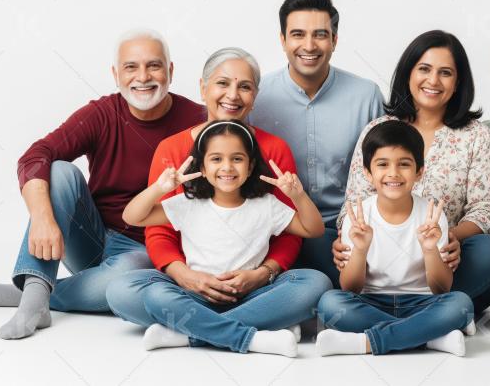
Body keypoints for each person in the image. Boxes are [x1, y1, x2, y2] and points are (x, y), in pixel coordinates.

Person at [0, 29, 205, 339]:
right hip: (91, 237)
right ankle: (36, 292)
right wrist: (42, 218)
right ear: (116, 75)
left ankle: (33, 294)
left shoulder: (198, 122)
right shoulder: (102, 113)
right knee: (59, 171)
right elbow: (35, 156)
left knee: (127, 276)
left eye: (154, 65)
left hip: (146, 249)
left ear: (170, 71)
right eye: (131, 67)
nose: (143, 77)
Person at [106, 48, 330, 335]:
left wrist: (260, 276)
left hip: (254, 288)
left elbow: (299, 232)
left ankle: (192, 332)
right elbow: (149, 226)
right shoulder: (185, 189)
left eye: (245, 87)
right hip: (191, 287)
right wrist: (186, 276)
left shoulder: (269, 176)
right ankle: (252, 328)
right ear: (203, 88)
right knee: (121, 291)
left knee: (315, 284)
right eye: (222, 83)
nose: (233, 95)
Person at [332, 30, 490, 315]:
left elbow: (486, 210)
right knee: (318, 243)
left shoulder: (477, 136)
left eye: (445, 73)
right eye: (424, 69)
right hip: (377, 258)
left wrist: (448, 237)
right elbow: (355, 199)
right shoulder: (379, 129)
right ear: (408, 73)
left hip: (444, 260)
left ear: (458, 82)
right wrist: (347, 240)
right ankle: (434, 318)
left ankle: (408, 312)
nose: (433, 81)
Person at [121, 120, 329, 357]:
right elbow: (132, 217)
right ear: (202, 166)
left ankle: (189, 333)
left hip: (252, 295)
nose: (227, 167)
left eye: (237, 159)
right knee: (149, 293)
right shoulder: (187, 204)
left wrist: (298, 196)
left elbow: (314, 229)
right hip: (196, 296)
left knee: (316, 282)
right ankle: (253, 335)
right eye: (216, 159)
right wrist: (159, 189)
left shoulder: (267, 205)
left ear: (250, 166)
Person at [248, 0, 384, 286]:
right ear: (282, 40)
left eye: (320, 35)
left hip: (347, 231)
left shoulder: (366, 96)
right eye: (298, 34)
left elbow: (385, 172)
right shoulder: (256, 96)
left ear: (334, 40)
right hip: (276, 231)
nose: (309, 46)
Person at [316, 121, 473, 357]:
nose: (393, 173)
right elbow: (350, 288)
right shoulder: (358, 216)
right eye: (382, 164)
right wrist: (360, 250)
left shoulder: (431, 215)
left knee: (460, 304)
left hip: (421, 303)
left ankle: (367, 343)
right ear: (368, 173)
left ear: (419, 172)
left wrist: (430, 250)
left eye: (404, 164)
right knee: (330, 303)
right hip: (370, 302)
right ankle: (428, 338)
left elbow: (442, 289)